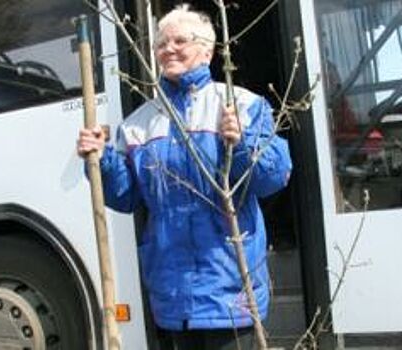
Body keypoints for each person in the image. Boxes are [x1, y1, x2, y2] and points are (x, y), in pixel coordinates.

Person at [77, 4, 292, 349]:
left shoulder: (240, 104)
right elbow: (126, 197)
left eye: (180, 40)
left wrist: (241, 144)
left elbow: (275, 178)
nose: (168, 49)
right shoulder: (137, 124)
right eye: (161, 43)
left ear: (207, 50)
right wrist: (101, 161)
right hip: (172, 289)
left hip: (230, 285)